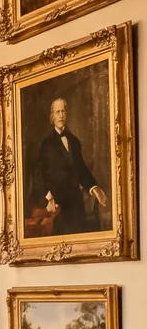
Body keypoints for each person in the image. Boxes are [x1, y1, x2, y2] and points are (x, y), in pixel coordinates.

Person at [31, 96, 109, 236]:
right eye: (57, 112)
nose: (61, 115)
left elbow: (81, 169)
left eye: (63, 111)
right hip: (57, 204)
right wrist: (48, 198)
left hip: (76, 202)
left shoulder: (74, 141)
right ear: (52, 117)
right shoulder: (46, 145)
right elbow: (39, 175)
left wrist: (93, 187)